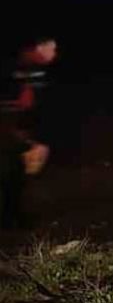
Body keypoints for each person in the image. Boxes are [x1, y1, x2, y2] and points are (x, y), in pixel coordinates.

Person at [0, 34, 57, 227]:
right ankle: (11, 217)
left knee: (16, 172)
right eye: (51, 48)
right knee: (11, 172)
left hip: (17, 128)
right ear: (38, 48)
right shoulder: (18, 68)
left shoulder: (35, 71)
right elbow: (17, 101)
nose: (54, 53)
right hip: (9, 127)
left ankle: (13, 215)